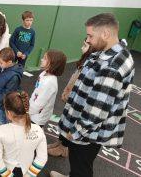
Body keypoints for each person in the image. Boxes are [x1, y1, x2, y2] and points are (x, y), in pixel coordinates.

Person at [51, 13, 135, 177]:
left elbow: (98, 109)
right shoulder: (108, 52)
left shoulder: (113, 66)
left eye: (90, 35)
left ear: (105, 34)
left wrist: (76, 131)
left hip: (88, 131)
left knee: (81, 165)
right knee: (77, 162)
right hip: (84, 126)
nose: (88, 40)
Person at [47, 39, 94, 157]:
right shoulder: (84, 61)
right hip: (71, 96)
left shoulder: (90, 64)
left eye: (85, 46)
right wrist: (66, 90)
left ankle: (63, 148)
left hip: (77, 100)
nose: (82, 48)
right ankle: (60, 143)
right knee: (65, 121)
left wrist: (69, 92)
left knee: (70, 124)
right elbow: (73, 79)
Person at [0, 91, 48, 177]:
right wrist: (29, 175)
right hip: (26, 171)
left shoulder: (1, 131)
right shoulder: (38, 130)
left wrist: (7, 175)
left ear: (9, 113)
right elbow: (42, 158)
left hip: (5, 171)